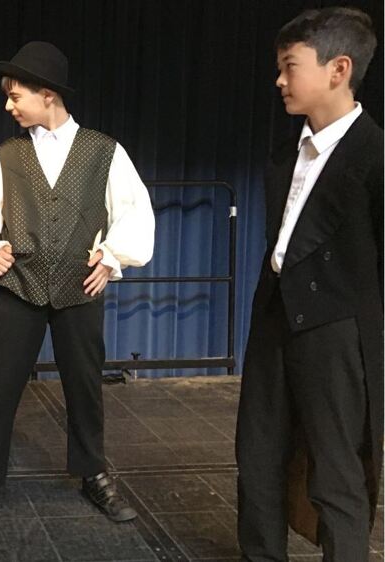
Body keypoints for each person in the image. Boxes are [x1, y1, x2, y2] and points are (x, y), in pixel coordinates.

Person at [0, 42, 155, 522]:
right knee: (0, 385)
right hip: (20, 286)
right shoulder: (8, 156)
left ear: (47, 94)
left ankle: (93, 473)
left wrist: (111, 256)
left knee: (84, 387)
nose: (8, 106)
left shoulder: (104, 151)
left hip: (80, 287)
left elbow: (135, 210)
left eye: (16, 96)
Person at [236, 7, 382, 560]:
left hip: (337, 331)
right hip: (275, 315)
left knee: (337, 469)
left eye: (289, 66)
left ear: (338, 69)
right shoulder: (286, 154)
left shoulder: (376, 156)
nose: (279, 80)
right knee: (258, 455)